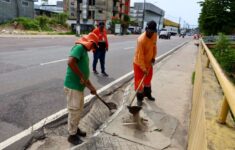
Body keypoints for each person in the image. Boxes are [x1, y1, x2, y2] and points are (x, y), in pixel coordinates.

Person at [64, 33, 98, 145]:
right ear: (90, 43)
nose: (93, 49)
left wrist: (91, 87)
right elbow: (70, 62)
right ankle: (72, 135)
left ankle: (75, 129)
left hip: (79, 87)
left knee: (78, 110)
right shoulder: (79, 48)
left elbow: (84, 74)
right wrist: (82, 77)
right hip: (73, 86)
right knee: (74, 111)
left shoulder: (84, 52)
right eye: (94, 47)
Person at [133, 20, 157, 106]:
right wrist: (143, 69)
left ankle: (148, 94)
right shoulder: (141, 40)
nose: (151, 33)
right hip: (139, 63)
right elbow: (140, 57)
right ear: (146, 29)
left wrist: (153, 57)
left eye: (153, 31)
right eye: (150, 31)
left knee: (148, 80)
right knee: (139, 82)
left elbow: (154, 47)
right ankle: (139, 99)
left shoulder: (154, 35)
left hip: (148, 62)